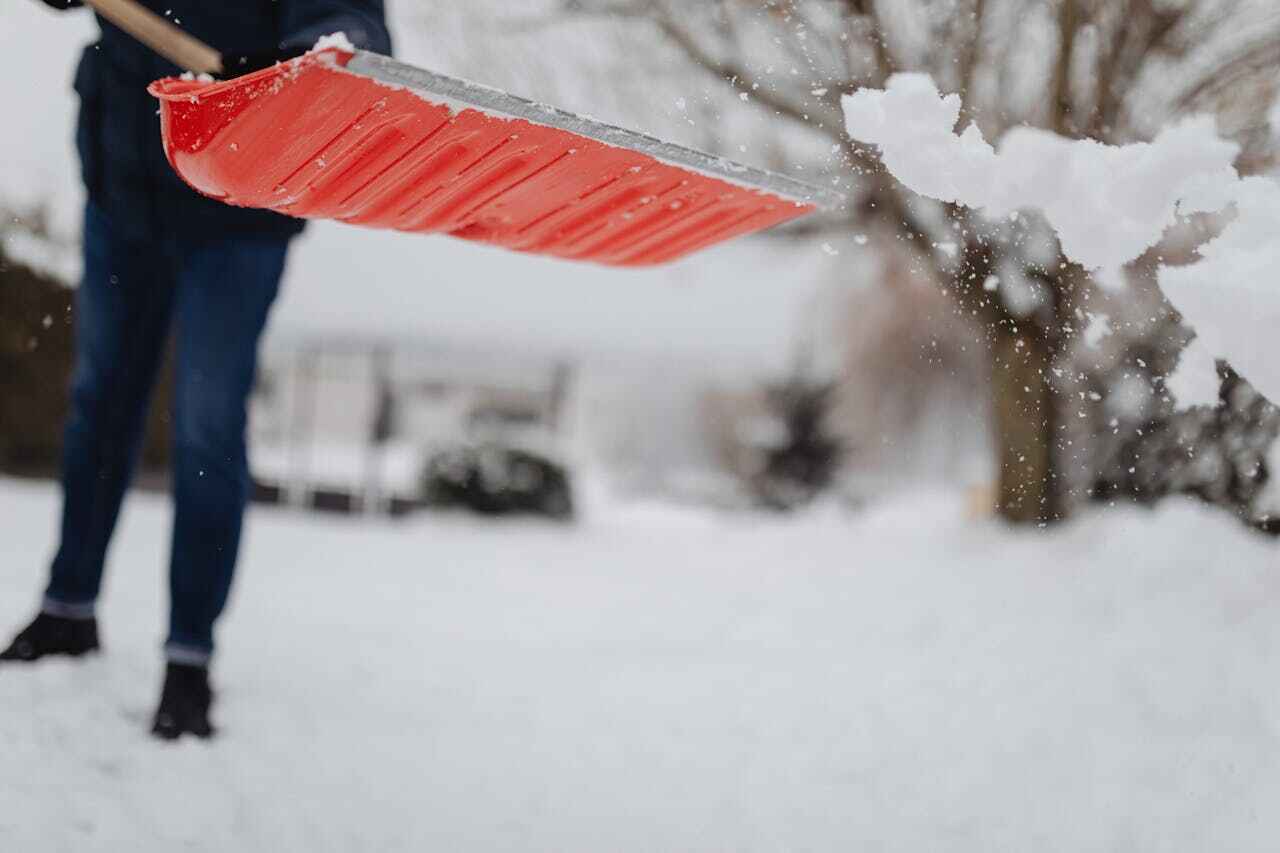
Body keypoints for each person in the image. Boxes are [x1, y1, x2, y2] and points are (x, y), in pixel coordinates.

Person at [1, 0, 392, 740]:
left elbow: (353, 23)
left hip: (241, 199)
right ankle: (68, 607)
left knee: (206, 427)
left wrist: (300, 66)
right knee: (100, 402)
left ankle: (189, 655)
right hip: (125, 180)